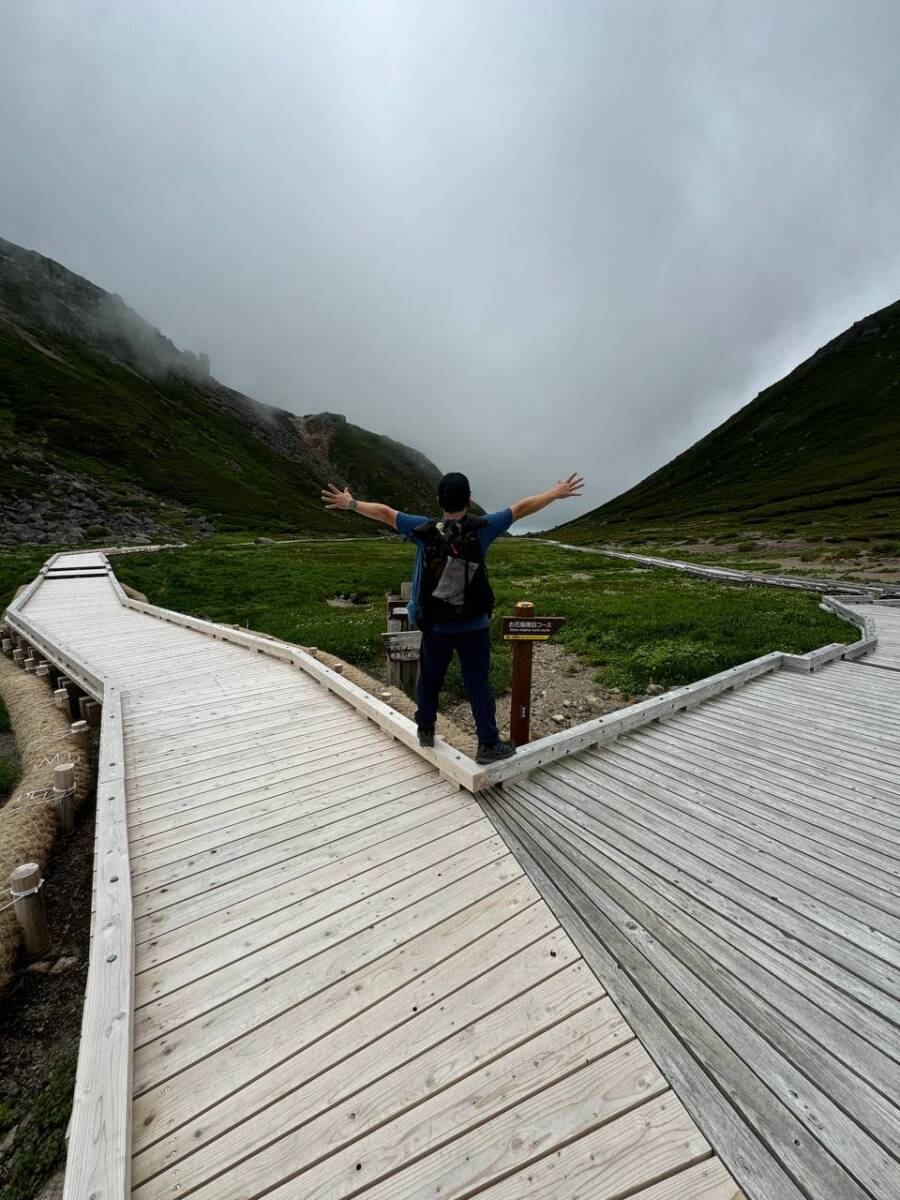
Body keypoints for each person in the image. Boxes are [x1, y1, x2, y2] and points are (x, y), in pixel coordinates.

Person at [321, 470, 584, 764]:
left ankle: (425, 729)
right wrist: (554, 492)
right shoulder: (484, 528)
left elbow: (384, 513)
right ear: (469, 502)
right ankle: (487, 744)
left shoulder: (423, 529)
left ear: (439, 501)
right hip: (474, 625)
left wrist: (351, 503)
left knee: (430, 678)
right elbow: (521, 509)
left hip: (436, 626)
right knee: (478, 683)